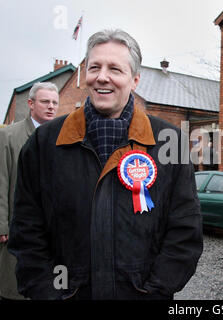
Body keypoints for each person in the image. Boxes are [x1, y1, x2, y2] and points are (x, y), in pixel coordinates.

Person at [8, 29, 203, 300]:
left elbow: (184, 233)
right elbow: (27, 230)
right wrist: (49, 293)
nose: (102, 76)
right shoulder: (44, 142)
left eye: (115, 69)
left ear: (134, 80)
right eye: (94, 67)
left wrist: (154, 291)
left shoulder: (170, 143)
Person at [0, 82, 59, 300]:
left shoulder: (63, 138)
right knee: (14, 286)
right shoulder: (9, 137)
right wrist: (2, 224)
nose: (51, 107)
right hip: (17, 226)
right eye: (45, 102)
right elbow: (1, 179)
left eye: (54, 102)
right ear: (31, 104)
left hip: (51, 228)